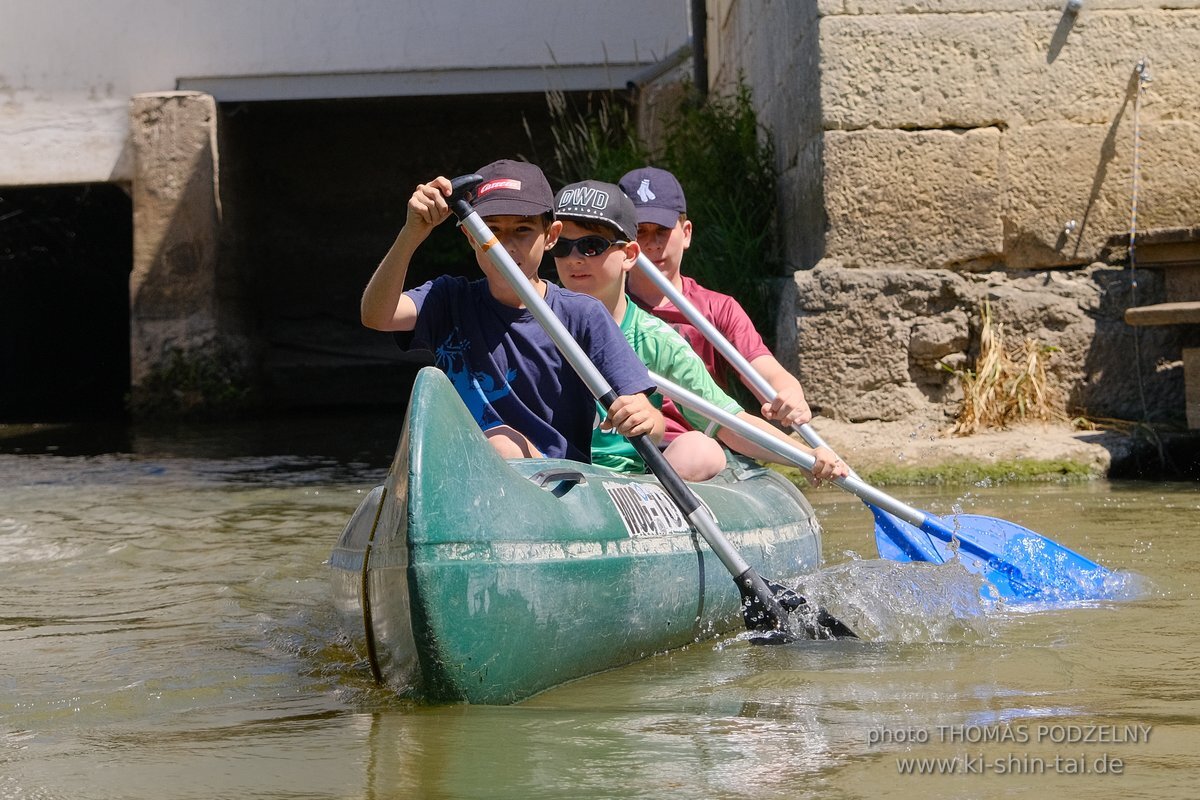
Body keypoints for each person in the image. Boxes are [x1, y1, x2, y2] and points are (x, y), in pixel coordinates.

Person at [361, 159, 663, 462]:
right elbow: (377, 316)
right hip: (462, 474)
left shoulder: (583, 315)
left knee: (502, 445)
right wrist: (412, 232)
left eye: (522, 229)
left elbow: (650, 419)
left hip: (560, 485)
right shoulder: (449, 299)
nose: (505, 245)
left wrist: (644, 417)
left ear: (551, 235)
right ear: (470, 236)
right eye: (490, 230)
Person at [552, 179, 846, 483]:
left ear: (629, 254)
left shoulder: (658, 337)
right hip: (549, 470)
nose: (575, 259)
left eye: (591, 246)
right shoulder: (529, 320)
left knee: (702, 451)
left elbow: (729, 419)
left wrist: (802, 453)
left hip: (644, 472)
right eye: (562, 246)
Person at [619, 166, 814, 441]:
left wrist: (789, 392)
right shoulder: (609, 307)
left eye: (662, 230)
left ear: (685, 233)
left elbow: (765, 370)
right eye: (640, 231)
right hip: (634, 446)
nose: (652, 244)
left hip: (706, 445)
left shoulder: (718, 308)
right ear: (622, 241)